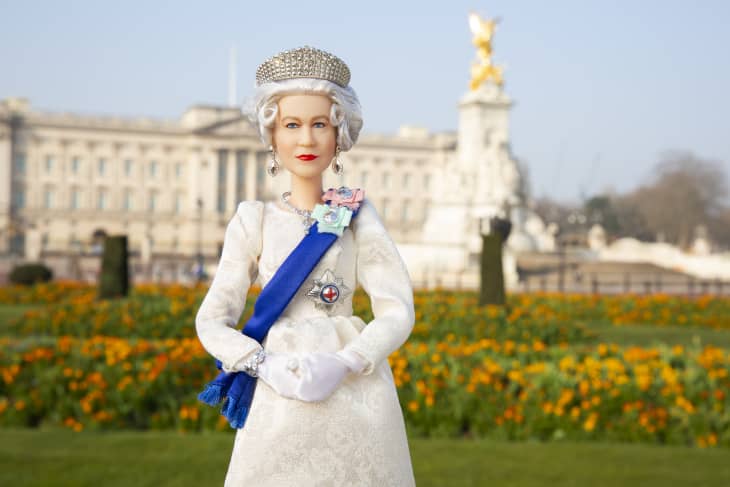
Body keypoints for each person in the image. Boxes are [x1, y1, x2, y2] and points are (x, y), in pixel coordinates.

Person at [195, 46, 417, 486]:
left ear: (339, 135)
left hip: (355, 392)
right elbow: (211, 320)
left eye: (320, 124)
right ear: (272, 135)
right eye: (291, 125)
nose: (307, 139)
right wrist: (262, 364)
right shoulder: (253, 220)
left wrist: (349, 360)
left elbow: (397, 309)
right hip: (281, 391)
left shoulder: (357, 216)